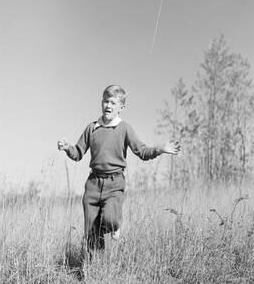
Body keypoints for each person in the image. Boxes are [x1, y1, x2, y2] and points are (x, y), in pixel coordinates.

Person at [58, 85, 180, 254]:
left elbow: (142, 151)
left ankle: (115, 227)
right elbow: (78, 153)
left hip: (114, 184)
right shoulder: (92, 128)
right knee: (91, 233)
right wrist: (67, 147)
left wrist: (160, 148)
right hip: (93, 184)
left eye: (113, 103)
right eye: (105, 101)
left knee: (110, 219)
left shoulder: (124, 128)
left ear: (121, 107)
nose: (108, 106)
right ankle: (95, 270)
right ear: (101, 102)